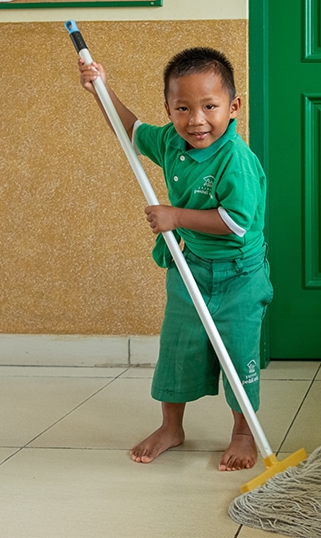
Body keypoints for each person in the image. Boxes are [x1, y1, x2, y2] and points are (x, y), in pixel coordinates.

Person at [77, 47, 272, 472]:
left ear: (233, 107)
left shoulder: (235, 160)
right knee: (178, 348)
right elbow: (127, 128)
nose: (196, 120)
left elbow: (236, 223)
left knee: (237, 354)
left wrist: (175, 216)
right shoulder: (170, 141)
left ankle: (242, 432)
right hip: (192, 268)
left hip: (240, 274)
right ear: (169, 109)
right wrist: (100, 88)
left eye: (209, 106)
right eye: (182, 108)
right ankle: (171, 427)